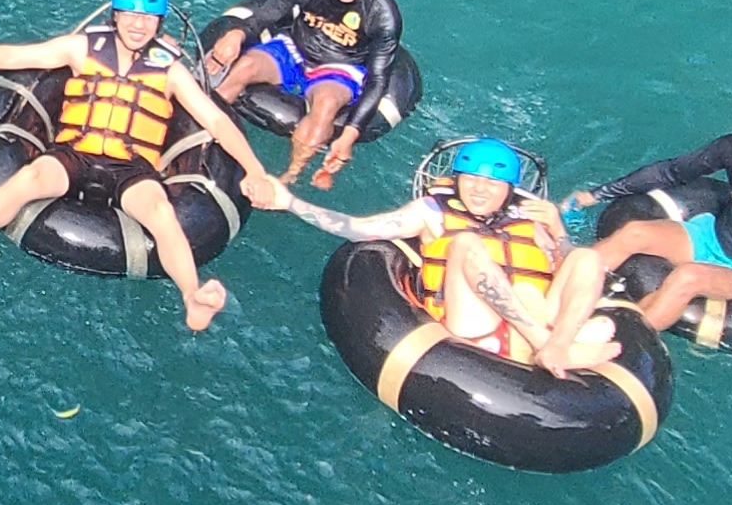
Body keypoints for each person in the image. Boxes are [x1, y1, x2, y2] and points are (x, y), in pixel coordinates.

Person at [0, 0, 279, 331]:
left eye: (148, 18)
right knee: (30, 177)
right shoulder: (81, 48)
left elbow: (215, 120)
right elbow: (16, 55)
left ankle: (192, 295)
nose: (138, 25)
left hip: (130, 166)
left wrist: (255, 171)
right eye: (131, 15)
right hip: (75, 153)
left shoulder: (171, 71)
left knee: (162, 212)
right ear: (115, 15)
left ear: (159, 23)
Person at [563, 95, 732, 421]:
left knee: (687, 278)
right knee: (634, 232)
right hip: (712, 235)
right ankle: (557, 289)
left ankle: (614, 347)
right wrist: (598, 194)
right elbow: (672, 172)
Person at [264, 136, 624, 378]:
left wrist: (559, 233)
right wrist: (291, 203)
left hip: (537, 317)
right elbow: (356, 228)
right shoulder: (431, 212)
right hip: (477, 330)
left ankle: (556, 346)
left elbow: (573, 273)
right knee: (466, 244)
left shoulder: (533, 219)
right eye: (471, 180)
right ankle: (547, 348)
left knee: (587, 259)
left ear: (510, 190)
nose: (480, 189)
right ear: (456, 180)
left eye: (493, 184)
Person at [202, 0, 404, 189]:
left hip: (340, 66)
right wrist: (237, 34)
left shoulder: (383, 14)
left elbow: (377, 79)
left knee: (327, 104)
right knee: (243, 68)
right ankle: (199, 139)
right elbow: (264, 17)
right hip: (294, 48)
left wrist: (349, 136)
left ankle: (289, 176)